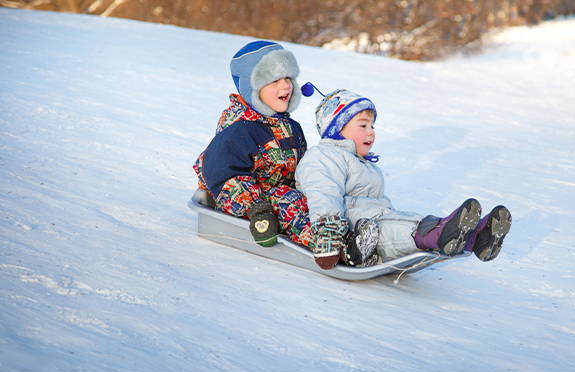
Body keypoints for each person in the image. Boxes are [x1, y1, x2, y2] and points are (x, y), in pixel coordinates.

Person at [295, 87, 512, 270]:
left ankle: (475, 238)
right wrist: (329, 237)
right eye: (363, 126)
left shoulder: (362, 162)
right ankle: (441, 233)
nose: (371, 132)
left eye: (372, 126)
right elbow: (323, 194)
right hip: (356, 230)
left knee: (412, 220)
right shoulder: (323, 156)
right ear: (336, 130)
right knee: (397, 230)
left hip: (377, 216)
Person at [193, 41, 311, 248]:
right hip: (254, 208)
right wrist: (258, 209)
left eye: (288, 78)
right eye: (274, 80)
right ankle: (332, 246)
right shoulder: (239, 130)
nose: (286, 86)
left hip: (286, 198)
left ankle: (354, 232)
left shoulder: (291, 127)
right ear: (252, 88)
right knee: (289, 200)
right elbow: (226, 175)